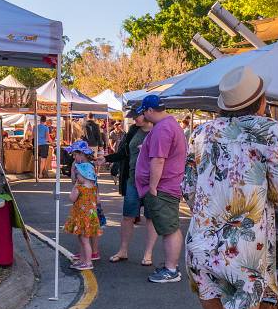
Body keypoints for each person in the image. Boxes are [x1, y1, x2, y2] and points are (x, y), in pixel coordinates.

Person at [184, 66, 278, 309]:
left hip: (200, 244)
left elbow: (189, 190)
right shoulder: (268, 130)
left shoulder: (200, 133)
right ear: (260, 102)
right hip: (243, 251)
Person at [135, 93, 188, 283]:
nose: (143, 116)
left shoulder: (162, 129)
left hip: (163, 187)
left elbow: (158, 159)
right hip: (168, 185)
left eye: (144, 112)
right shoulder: (170, 125)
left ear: (150, 110)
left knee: (169, 228)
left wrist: (152, 187)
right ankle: (170, 266)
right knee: (169, 227)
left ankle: (171, 269)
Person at [106, 110, 158, 265]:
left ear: (148, 114)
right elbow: (123, 152)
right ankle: (123, 250)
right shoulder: (134, 130)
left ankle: (148, 254)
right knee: (128, 215)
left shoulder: (159, 129)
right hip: (133, 179)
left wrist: (148, 149)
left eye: (137, 115)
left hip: (152, 181)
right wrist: (107, 159)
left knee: (150, 217)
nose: (134, 118)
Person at [64, 141, 102, 271]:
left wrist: (75, 186)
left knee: (84, 240)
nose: (76, 177)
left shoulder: (80, 187)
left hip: (82, 215)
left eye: (78, 175)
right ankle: (82, 259)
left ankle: (87, 262)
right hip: (88, 215)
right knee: (82, 238)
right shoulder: (91, 186)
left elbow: (71, 198)